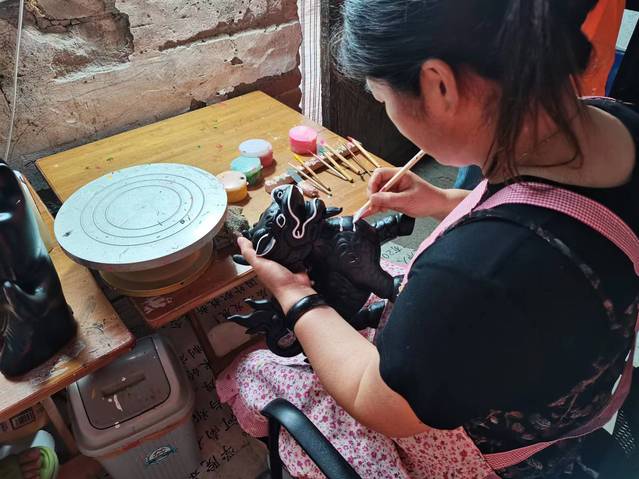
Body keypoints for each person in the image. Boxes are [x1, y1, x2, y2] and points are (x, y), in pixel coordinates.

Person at [216, 1, 639, 477]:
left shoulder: (474, 273)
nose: (387, 110)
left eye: (382, 97)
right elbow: (565, 215)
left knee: (255, 370)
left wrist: (295, 295)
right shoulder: (616, 123)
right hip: (568, 379)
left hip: (502, 453)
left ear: (439, 85)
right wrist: (445, 200)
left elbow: (376, 401)